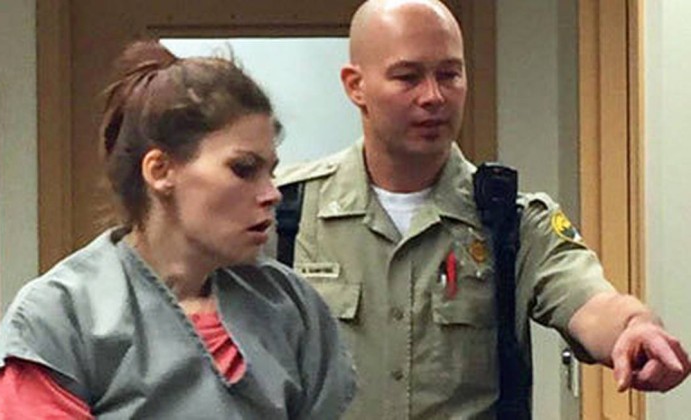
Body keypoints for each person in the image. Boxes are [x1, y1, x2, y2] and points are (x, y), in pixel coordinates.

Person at [272, 0, 691, 418]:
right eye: (408, 77)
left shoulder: (511, 221)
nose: (433, 96)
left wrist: (634, 328)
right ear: (355, 86)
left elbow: (591, 303)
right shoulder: (286, 212)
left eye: (449, 74)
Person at [0, 40, 355, 419]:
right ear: (161, 171)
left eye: (271, 172)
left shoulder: (289, 305)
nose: (272, 194)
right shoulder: (62, 315)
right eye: (244, 169)